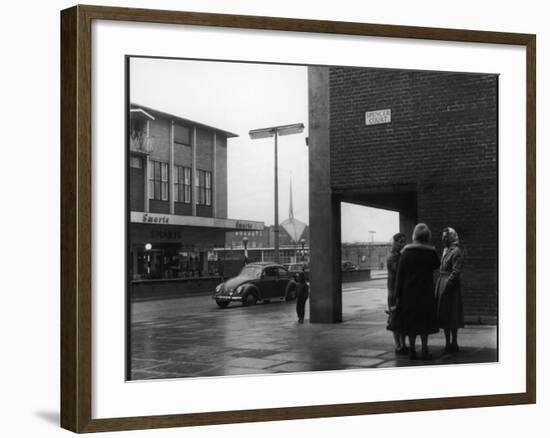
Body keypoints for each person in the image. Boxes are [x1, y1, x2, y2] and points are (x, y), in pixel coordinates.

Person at [393, 223, 440, 360]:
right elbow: (437, 265)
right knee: (424, 321)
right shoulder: (430, 252)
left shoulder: (406, 253)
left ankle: (412, 349)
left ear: (414, 235)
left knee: (411, 323)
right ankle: (425, 348)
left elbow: (400, 276)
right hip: (425, 292)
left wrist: (397, 295)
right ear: (427, 236)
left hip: (409, 294)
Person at [435, 227, 464, 354]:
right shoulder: (446, 250)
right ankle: (448, 343)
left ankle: (454, 343)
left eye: (445, 237)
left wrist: (447, 285)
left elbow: (456, 272)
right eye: (442, 237)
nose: (443, 239)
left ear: (451, 237)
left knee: (452, 315)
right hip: (442, 283)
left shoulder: (456, 251)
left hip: (450, 287)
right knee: (445, 315)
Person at [386, 232, 408, 355]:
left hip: (401, 292)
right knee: (395, 320)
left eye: (404, 241)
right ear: (395, 243)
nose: (403, 244)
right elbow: (396, 276)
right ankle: (398, 346)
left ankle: (403, 345)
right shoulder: (391, 258)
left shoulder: (401, 256)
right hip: (393, 292)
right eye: (401, 242)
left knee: (402, 319)